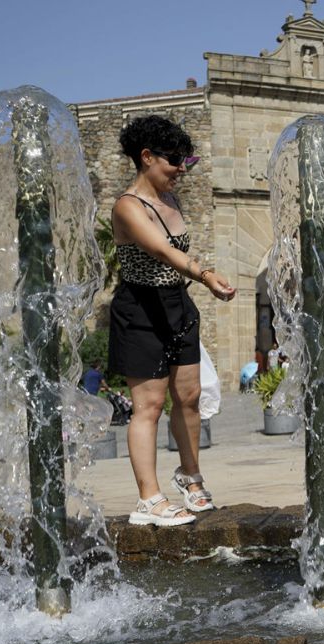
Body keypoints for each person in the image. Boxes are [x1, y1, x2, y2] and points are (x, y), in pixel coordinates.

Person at [109, 115, 236, 527]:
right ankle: (149, 498)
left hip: (177, 305)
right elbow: (163, 252)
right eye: (176, 161)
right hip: (140, 309)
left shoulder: (173, 200)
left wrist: (195, 282)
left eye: (188, 160)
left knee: (189, 397)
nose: (183, 169)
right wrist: (205, 274)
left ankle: (190, 474)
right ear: (146, 157)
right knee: (147, 406)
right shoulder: (128, 207)